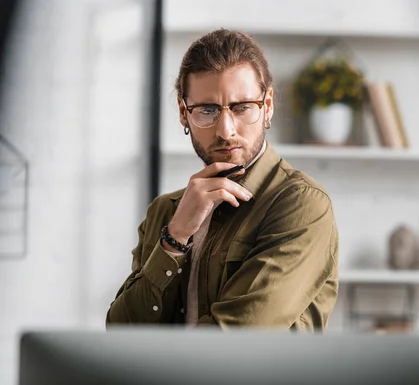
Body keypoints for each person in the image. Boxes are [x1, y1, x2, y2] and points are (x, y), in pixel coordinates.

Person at [106, 29, 339, 331]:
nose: (226, 130)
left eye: (242, 108)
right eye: (207, 110)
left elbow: (234, 338)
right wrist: (175, 237)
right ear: (182, 113)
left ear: (267, 105)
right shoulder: (165, 212)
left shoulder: (303, 205)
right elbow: (121, 333)